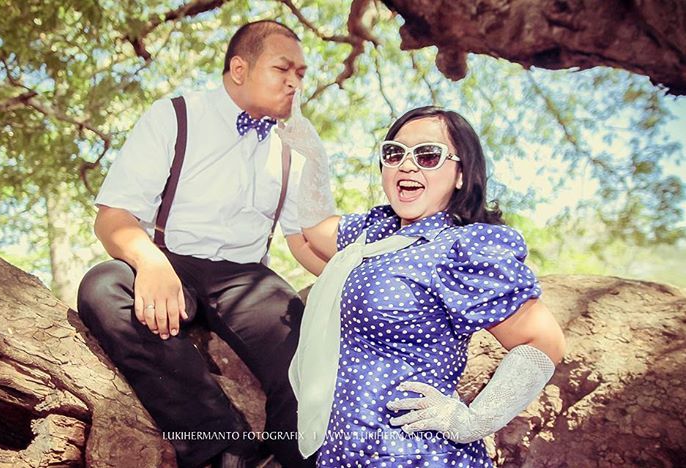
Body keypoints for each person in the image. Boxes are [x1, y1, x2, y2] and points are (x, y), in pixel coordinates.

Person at [76, 20, 325, 468]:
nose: (295, 81)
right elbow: (113, 217)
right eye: (282, 68)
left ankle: (294, 454)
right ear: (239, 68)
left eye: (302, 73)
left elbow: (303, 242)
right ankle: (224, 444)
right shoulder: (175, 114)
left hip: (247, 277)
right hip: (169, 260)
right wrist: (149, 264)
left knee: (309, 349)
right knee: (103, 287)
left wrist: (355, 280)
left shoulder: (294, 146)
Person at [279, 103, 566, 466]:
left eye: (428, 155)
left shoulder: (463, 248)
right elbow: (313, 229)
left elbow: (544, 341)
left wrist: (469, 421)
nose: (407, 164)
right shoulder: (375, 233)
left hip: (414, 455)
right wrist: (311, 158)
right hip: (345, 452)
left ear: (462, 174)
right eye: (394, 153)